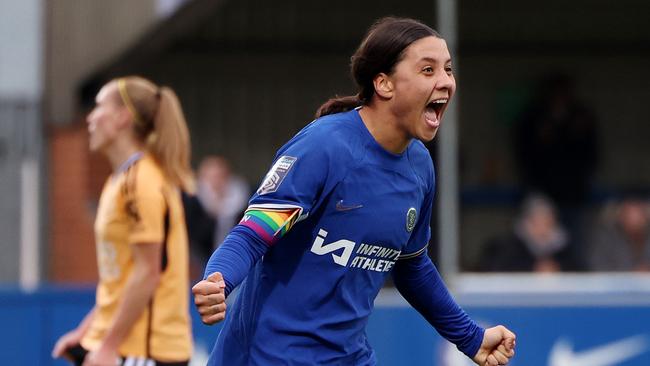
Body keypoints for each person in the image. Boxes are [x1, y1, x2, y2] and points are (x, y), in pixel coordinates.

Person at [192, 17, 516, 366]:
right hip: (267, 358)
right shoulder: (324, 148)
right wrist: (219, 279)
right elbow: (254, 233)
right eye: (428, 70)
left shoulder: (419, 166)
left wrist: (470, 337)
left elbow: (411, 266)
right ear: (384, 83)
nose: (446, 82)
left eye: (448, 69)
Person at [52, 76, 194, 366]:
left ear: (122, 118)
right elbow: (123, 279)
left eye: (99, 107)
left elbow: (148, 273)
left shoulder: (141, 182)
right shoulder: (120, 181)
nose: (90, 117)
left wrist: (108, 346)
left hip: (146, 350)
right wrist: (85, 332)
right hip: (123, 348)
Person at [477, 194, 582, 272]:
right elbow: (496, 270)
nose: (543, 228)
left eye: (548, 222)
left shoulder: (563, 247)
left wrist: (557, 268)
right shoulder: (510, 246)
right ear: (527, 223)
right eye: (538, 222)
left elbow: (579, 271)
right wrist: (533, 268)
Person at [589, 194, 650, 271]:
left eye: (639, 215)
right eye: (629, 215)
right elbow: (597, 266)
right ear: (621, 217)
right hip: (615, 281)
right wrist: (630, 272)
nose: (634, 220)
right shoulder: (608, 239)